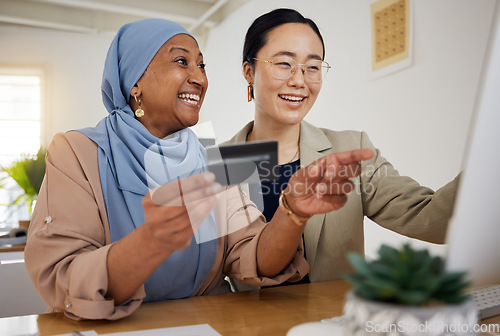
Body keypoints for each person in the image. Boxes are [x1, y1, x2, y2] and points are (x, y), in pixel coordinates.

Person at [24, 18, 373, 320]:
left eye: (202, 66)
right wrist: (150, 242)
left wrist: (292, 213)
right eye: (182, 61)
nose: (199, 79)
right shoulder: (78, 152)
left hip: (204, 323)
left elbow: (251, 255)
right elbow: (62, 275)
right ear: (135, 83)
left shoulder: (209, 155)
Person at [226, 8, 460, 285]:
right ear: (249, 71)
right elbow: (212, 275)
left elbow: (431, 218)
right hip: (251, 326)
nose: (299, 80)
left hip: (335, 323)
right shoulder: (217, 164)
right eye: (284, 63)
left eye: (312, 66)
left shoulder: (350, 149)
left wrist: (488, 163)